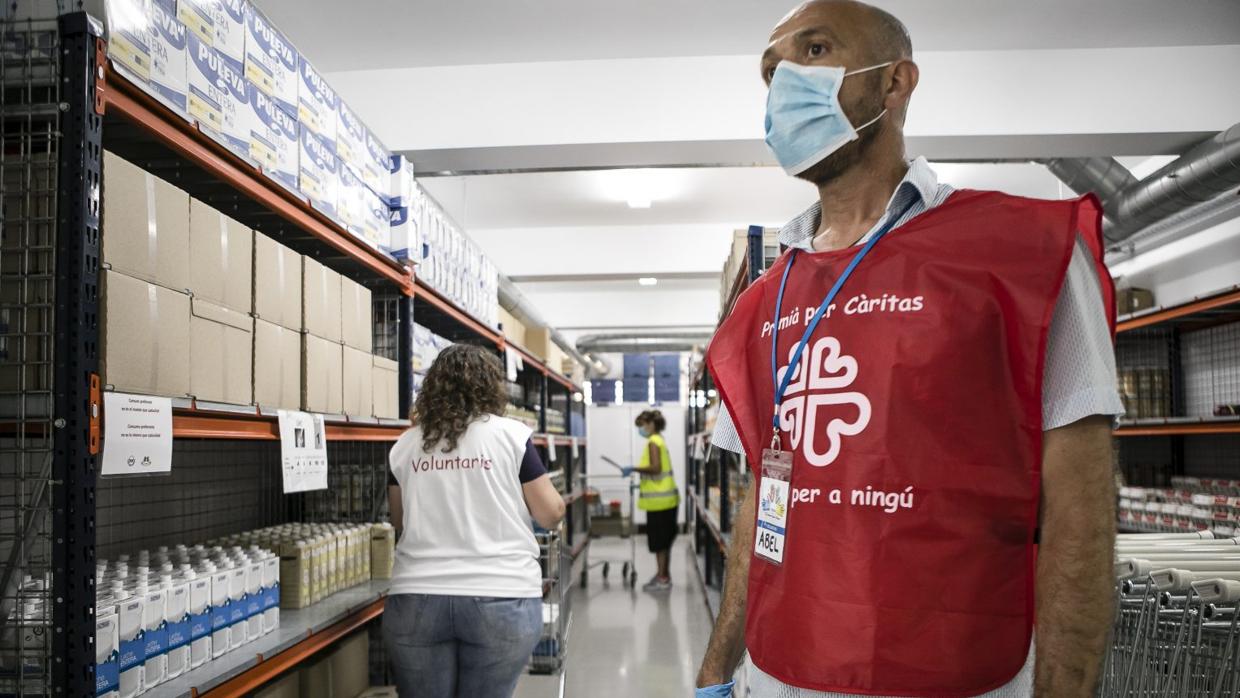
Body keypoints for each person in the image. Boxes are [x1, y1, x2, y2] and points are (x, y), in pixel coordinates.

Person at [695, 2, 1121, 697]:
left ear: (895, 83)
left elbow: (1078, 502)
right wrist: (718, 667)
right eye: (771, 72)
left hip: (954, 672)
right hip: (775, 672)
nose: (782, 85)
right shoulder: (761, 301)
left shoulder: (1022, 256)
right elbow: (761, 496)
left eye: (815, 50)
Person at [383, 344, 566, 698]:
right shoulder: (510, 436)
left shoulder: (404, 445)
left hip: (418, 597)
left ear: (433, 386)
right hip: (501, 595)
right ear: (489, 385)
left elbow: (399, 518)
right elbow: (550, 512)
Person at [621, 409, 680, 591]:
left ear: (651, 425)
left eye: (643, 425)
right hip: (667, 500)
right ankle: (663, 575)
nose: (641, 429)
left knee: (659, 542)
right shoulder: (659, 440)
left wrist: (634, 469)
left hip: (659, 503)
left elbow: (655, 468)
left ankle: (662, 578)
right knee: (664, 541)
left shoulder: (653, 442)